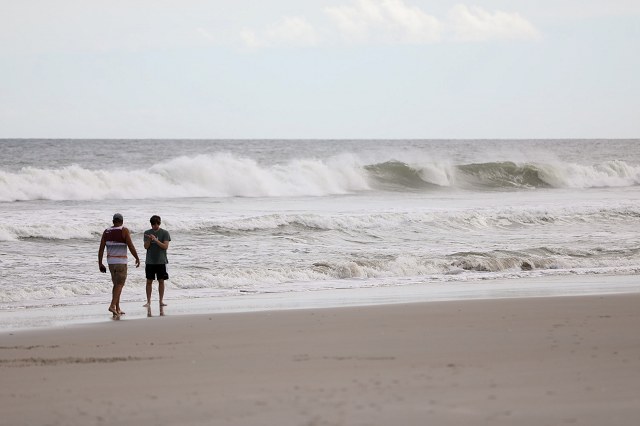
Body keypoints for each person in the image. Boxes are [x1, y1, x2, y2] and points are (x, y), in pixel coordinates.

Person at [98, 213, 140, 316]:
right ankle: (112, 306)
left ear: (113, 221)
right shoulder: (124, 230)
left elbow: (101, 248)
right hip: (121, 262)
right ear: (122, 221)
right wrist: (137, 257)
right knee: (120, 284)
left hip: (110, 262)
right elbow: (130, 246)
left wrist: (100, 263)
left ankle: (117, 308)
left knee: (116, 285)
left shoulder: (106, 231)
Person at [143, 215, 171, 307]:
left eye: (155, 224)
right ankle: (148, 301)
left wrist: (155, 240)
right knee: (149, 281)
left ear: (159, 223)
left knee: (161, 280)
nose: (154, 226)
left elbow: (165, 247)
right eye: (152, 225)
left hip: (161, 260)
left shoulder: (164, 233)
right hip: (150, 261)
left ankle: (161, 301)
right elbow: (146, 247)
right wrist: (149, 239)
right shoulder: (147, 233)